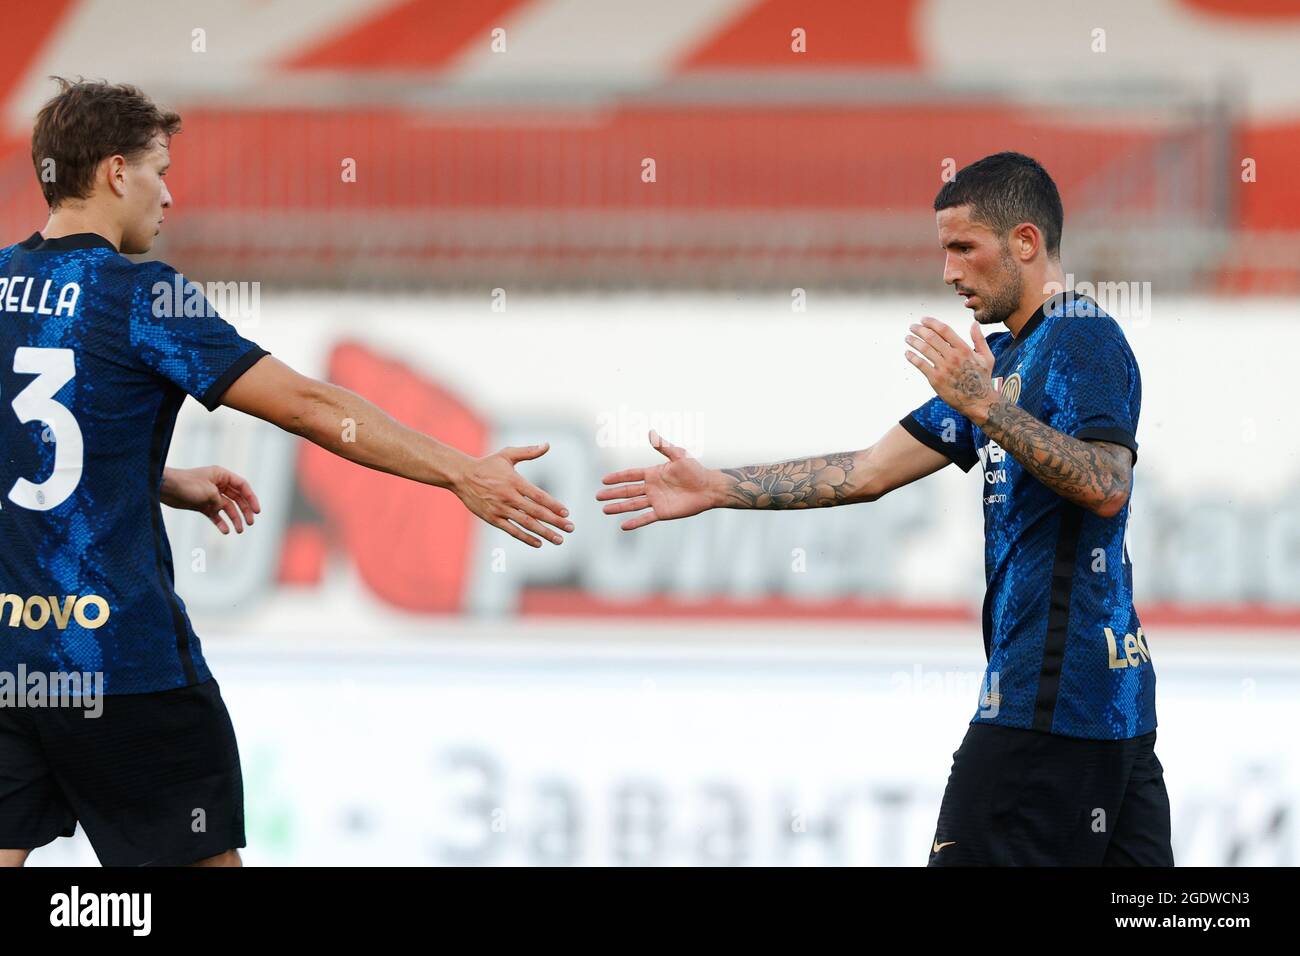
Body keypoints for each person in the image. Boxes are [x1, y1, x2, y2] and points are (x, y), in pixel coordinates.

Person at [0, 78, 572, 868]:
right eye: (160, 170)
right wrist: (459, 471)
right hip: (119, 663)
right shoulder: (139, 297)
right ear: (116, 174)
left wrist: (154, 480)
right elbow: (304, 404)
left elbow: (32, 441)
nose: (170, 195)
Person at [598, 152, 1172, 866]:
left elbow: (1106, 483)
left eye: (965, 248)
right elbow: (868, 471)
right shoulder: (1001, 364)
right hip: (1104, 707)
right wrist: (719, 487)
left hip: (1050, 703)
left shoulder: (1079, 336)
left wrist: (985, 407)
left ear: (1025, 242)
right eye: (943, 251)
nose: (948, 272)